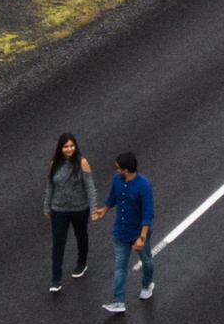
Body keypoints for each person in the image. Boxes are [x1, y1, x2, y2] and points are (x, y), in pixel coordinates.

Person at [98, 150, 155, 313]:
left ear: (126, 170)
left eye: (117, 167)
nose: (115, 170)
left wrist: (142, 237)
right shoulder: (117, 180)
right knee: (120, 266)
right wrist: (104, 210)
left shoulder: (144, 185)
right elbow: (113, 198)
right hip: (121, 232)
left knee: (147, 261)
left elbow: (148, 213)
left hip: (138, 234)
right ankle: (118, 301)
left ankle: (147, 283)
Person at [45, 133, 94, 292]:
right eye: (66, 146)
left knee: (81, 235)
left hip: (80, 209)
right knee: (58, 243)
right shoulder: (54, 164)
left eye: (71, 146)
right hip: (59, 209)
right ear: (61, 148)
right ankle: (55, 279)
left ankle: (82, 262)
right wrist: (47, 207)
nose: (69, 149)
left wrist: (93, 208)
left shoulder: (82, 163)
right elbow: (50, 187)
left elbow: (90, 188)